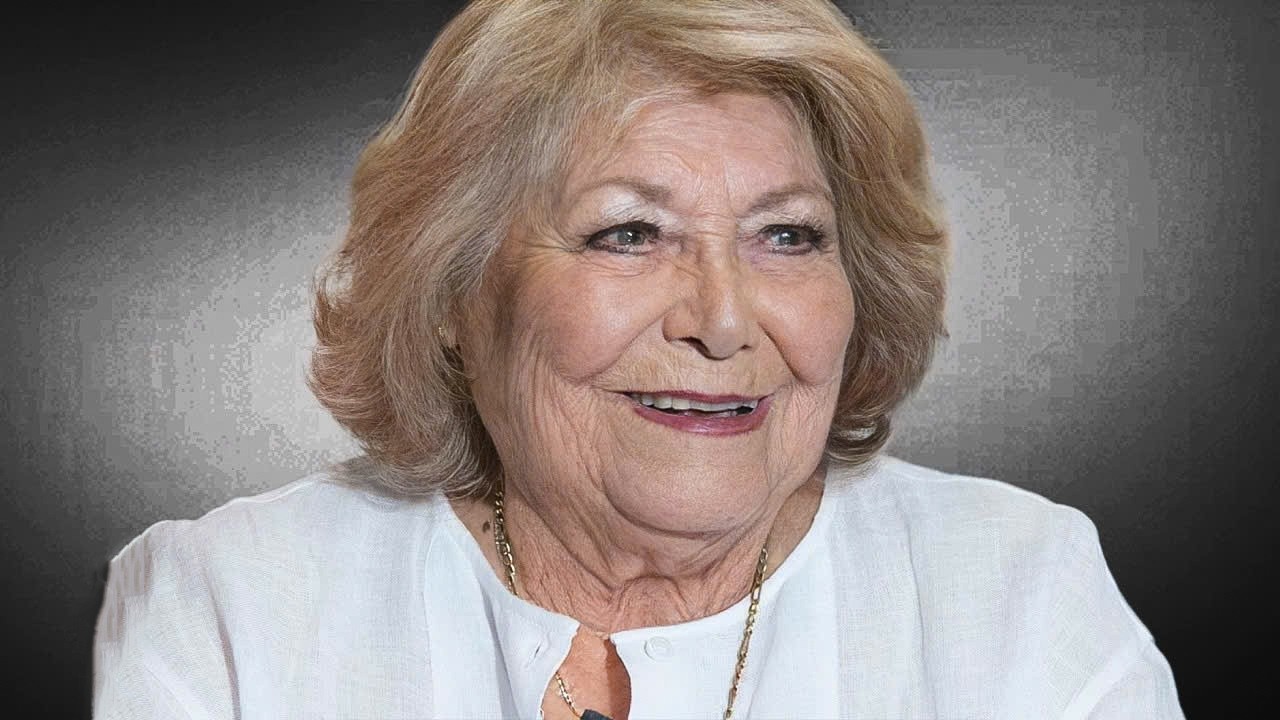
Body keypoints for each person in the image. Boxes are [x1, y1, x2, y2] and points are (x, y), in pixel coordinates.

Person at [92, 1, 1185, 718]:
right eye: (628, 233)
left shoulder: (1017, 592)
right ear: (454, 294)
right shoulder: (230, 603)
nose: (722, 320)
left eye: (787, 235)